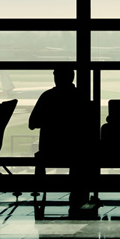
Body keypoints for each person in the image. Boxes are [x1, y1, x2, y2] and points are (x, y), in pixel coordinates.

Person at [29, 69, 95, 215]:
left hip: (50, 149)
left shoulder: (47, 96)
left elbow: (32, 123)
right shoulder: (80, 97)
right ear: (72, 77)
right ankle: (78, 192)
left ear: (56, 78)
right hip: (75, 150)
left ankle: (39, 189)